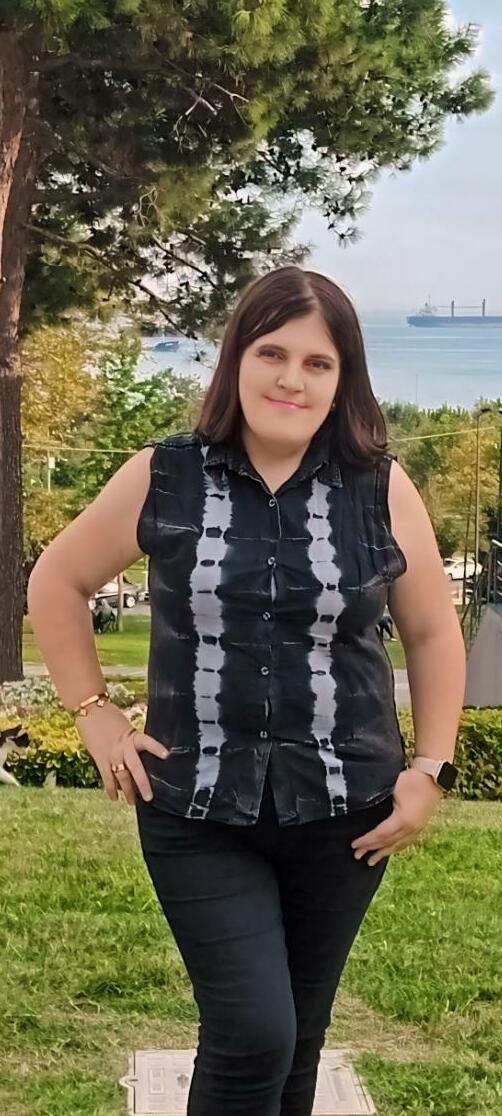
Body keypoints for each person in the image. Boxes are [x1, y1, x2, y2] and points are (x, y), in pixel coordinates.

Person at [27, 267, 466, 1116]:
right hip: (196, 809)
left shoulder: (380, 488)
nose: (291, 379)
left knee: (299, 1040)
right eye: (272, 353)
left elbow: (432, 632)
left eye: (318, 363)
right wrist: (95, 715)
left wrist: (431, 769)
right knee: (253, 1034)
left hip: (346, 815)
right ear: (236, 359)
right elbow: (57, 581)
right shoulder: (164, 475)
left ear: (342, 380)